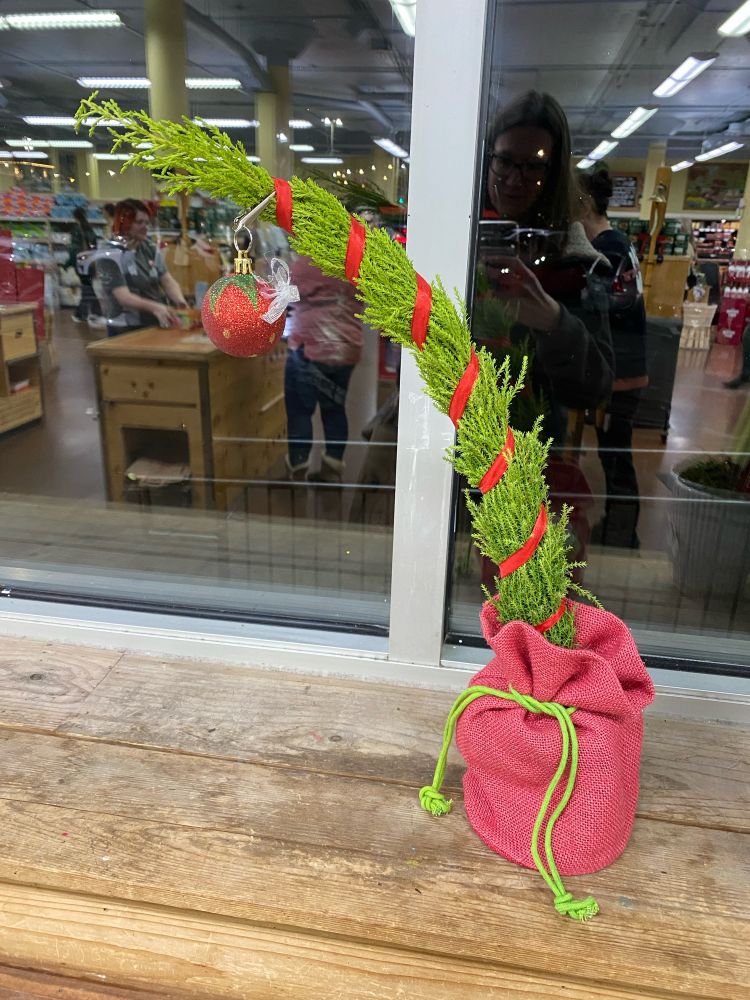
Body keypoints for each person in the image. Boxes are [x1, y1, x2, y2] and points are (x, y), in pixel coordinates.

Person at [481, 90, 614, 447]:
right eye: (504, 161)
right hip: (445, 444)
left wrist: (554, 321)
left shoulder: (575, 262)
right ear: (488, 158)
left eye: (534, 166)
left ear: (553, 173)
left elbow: (594, 389)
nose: (513, 180)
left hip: (527, 454)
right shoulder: (456, 237)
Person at [579, 168, 648, 548]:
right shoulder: (613, 243)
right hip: (624, 366)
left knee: (617, 456)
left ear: (586, 202)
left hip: (621, 370)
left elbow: (603, 309)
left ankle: (623, 533)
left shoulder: (607, 249)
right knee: (614, 452)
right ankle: (620, 527)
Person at [284, 254, 364, 482]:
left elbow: (286, 294)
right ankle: (333, 465)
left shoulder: (308, 261)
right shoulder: (354, 260)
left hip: (309, 348)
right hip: (346, 348)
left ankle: (298, 465)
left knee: (300, 410)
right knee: (335, 407)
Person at [95, 199, 187, 336]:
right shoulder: (109, 254)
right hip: (125, 329)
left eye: (147, 222)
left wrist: (181, 303)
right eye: (139, 222)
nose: (145, 227)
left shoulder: (148, 247)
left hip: (153, 324)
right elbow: (123, 297)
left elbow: (167, 280)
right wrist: (156, 307)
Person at [68, 206, 102, 325]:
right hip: (91, 262)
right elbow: (95, 247)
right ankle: (95, 313)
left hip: (82, 263)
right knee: (88, 288)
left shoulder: (76, 230)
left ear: (75, 217)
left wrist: (69, 264)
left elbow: (73, 250)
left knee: (87, 289)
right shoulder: (90, 229)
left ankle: (81, 314)